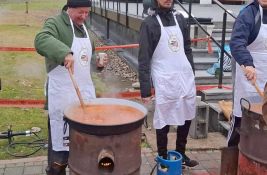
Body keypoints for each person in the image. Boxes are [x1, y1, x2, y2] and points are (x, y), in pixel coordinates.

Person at [34, 0, 107, 174]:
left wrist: (98, 63)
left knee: (83, 146)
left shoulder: (85, 29)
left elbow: (85, 60)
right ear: (69, 8)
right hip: (62, 96)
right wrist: (64, 53)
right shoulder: (56, 23)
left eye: (87, 13)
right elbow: (41, 39)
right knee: (60, 151)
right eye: (80, 12)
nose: (84, 16)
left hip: (84, 96)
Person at [138, 0, 198, 167]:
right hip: (164, 78)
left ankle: (181, 153)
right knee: (164, 117)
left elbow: (187, 48)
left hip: (184, 75)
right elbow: (144, 59)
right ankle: (163, 157)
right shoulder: (148, 23)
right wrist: (145, 89)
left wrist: (191, 72)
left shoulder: (180, 18)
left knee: (187, 114)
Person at [228, 0, 267, 147]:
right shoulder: (248, 14)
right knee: (243, 118)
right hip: (250, 77)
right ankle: (232, 155)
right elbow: (237, 43)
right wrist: (248, 63)